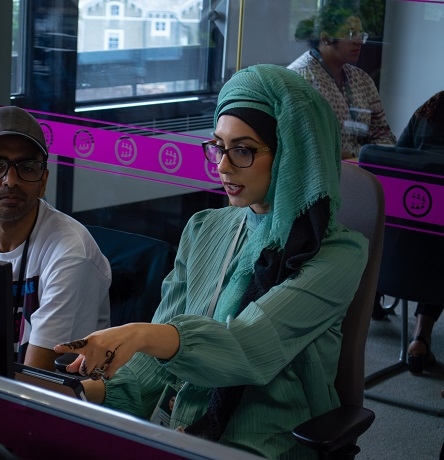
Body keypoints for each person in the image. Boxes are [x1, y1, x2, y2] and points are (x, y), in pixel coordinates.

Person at [54, 64, 368, 459]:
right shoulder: (205, 228)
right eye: (218, 146)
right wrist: (85, 391)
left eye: (243, 150)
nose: (221, 165)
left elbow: (249, 348)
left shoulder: (336, 252)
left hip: (269, 443)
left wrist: (144, 335)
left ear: (291, 153)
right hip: (185, 429)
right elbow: (157, 368)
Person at [0, 105, 111, 371]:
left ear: (42, 181)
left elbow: (36, 382)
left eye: (27, 167)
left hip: (56, 404)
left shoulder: (71, 252)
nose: (11, 180)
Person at [288, 4, 395, 159]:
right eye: (351, 34)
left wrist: (376, 158)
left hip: (364, 169)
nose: (359, 41)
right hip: (322, 172)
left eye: (361, 35)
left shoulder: (362, 79)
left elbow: (382, 132)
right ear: (325, 38)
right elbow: (301, 142)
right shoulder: (298, 78)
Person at [396, 91, 444, 374]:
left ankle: (375, 301)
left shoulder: (431, 107)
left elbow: (397, 158)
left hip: (403, 239)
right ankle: (421, 335)